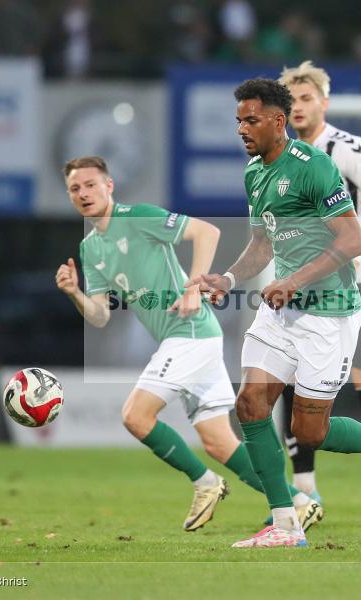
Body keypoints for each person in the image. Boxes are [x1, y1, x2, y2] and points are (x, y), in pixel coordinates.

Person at [188, 78, 361, 548]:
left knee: (309, 432)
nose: (242, 128)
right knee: (251, 404)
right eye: (238, 120)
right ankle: (285, 524)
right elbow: (261, 242)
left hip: (329, 313)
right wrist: (230, 279)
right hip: (281, 311)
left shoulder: (313, 166)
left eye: (250, 119)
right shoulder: (254, 172)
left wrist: (294, 279)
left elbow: (352, 240)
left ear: (278, 120)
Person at [55, 155, 321, 533]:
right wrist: (73, 292)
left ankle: (206, 483)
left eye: (91, 185)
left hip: (190, 332)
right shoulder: (91, 248)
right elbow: (100, 316)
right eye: (75, 189)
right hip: (189, 338)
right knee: (218, 442)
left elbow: (206, 232)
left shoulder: (138, 216)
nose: (84, 193)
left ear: (109, 186)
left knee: (135, 416)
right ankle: (298, 502)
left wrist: (194, 286)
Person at [277, 60, 361, 526]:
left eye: (307, 99)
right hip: (310, 285)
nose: (299, 108)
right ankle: (304, 495)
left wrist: (357, 249)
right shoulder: (281, 158)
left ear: (323, 103)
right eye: (291, 101)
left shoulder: (347, 148)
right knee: (289, 381)